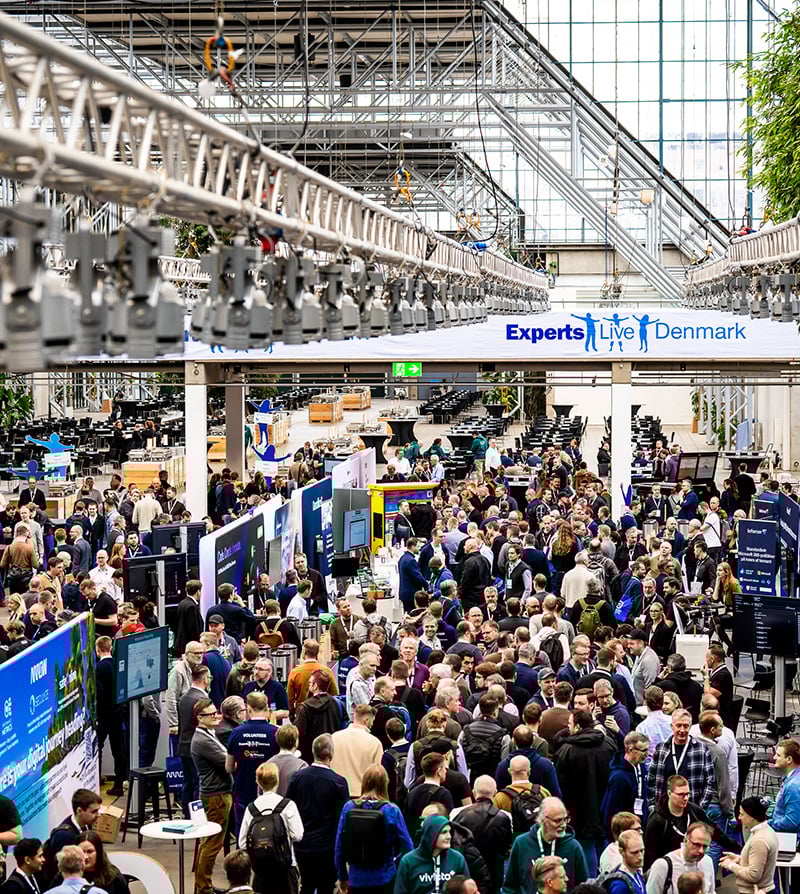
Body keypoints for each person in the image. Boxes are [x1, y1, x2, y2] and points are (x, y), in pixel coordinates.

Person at [554, 710, 617, 875]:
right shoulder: (609, 744)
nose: (568, 727)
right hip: (606, 804)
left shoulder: (566, 751)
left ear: (578, 726)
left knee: (586, 846)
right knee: (603, 842)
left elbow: (561, 784)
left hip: (579, 810)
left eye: (570, 724)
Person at [334, 764, 413, 893]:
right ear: (385, 784)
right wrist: (394, 863)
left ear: (364, 782)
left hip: (356, 878)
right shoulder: (392, 810)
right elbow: (408, 847)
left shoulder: (349, 807)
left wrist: (342, 876)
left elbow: (339, 846)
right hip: (384, 877)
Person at [287, 734, 350, 894]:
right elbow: (342, 819)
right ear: (331, 753)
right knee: (326, 886)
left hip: (302, 844)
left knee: (306, 885)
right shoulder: (338, 782)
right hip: (327, 846)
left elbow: (288, 808)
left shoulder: (298, 777)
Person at [643, 775, 739, 870]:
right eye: (681, 794)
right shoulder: (657, 819)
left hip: (692, 866)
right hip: (668, 870)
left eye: (687, 794)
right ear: (669, 793)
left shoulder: (694, 811)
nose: (685, 798)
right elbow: (650, 854)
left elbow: (715, 832)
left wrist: (738, 849)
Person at [238, 762, 304, 894]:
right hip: (285, 868)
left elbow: (242, 843)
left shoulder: (251, 808)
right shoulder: (287, 805)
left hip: (261, 870)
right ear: (277, 781)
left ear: (258, 782)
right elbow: (298, 835)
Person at [502, 796, 589, 894]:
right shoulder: (521, 844)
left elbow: (583, 888)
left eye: (565, 819)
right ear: (543, 820)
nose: (563, 825)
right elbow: (509, 887)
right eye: (558, 820)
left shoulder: (573, 847)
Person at [191, 698, 233, 894]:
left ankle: (202, 885)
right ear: (200, 718)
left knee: (209, 843)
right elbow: (228, 763)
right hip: (216, 797)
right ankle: (203, 887)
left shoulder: (209, 734)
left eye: (216, 712)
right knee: (212, 845)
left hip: (217, 794)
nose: (217, 716)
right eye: (211, 714)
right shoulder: (202, 741)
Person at [225, 692, 279, 833]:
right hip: (269, 792)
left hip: (243, 791)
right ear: (267, 708)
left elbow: (229, 767)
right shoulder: (275, 733)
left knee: (243, 834)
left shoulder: (236, 733)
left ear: (248, 709)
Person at [451, 775, 513, 894]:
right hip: (494, 875)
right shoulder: (505, 817)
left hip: (466, 872)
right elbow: (505, 847)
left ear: (474, 793)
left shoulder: (456, 813)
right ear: (495, 793)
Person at [647, 710, 715, 812]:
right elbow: (651, 778)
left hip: (690, 810)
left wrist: (699, 809)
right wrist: (652, 806)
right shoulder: (662, 748)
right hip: (664, 810)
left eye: (686, 726)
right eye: (679, 725)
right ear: (672, 726)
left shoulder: (701, 749)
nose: (682, 730)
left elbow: (710, 781)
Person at [394, 815, 468, 894]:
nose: (449, 836)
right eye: (444, 832)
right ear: (431, 835)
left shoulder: (457, 859)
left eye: (449, 832)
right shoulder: (408, 861)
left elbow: (467, 889)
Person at [720, 796, 778, 894]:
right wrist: (740, 859)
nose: (739, 817)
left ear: (751, 817)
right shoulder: (765, 831)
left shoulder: (759, 840)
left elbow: (753, 875)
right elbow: (758, 861)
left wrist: (731, 865)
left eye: (742, 814)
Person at [601, 732, 650, 838]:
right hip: (624, 834)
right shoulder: (619, 778)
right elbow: (611, 811)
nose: (647, 754)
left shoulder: (640, 766)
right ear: (631, 750)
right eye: (644, 750)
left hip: (639, 827)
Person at [44, 790, 102, 877]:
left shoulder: (87, 824)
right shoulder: (64, 836)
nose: (98, 815)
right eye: (94, 811)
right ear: (79, 811)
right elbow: (61, 870)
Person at [177, 665, 210, 815]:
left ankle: (186, 813)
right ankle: (197, 816)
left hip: (183, 745)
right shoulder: (202, 700)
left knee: (187, 782)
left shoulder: (184, 697)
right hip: (197, 748)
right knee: (198, 783)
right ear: (205, 679)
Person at [645, 822, 715, 894]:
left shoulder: (708, 861)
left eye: (705, 847)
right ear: (685, 840)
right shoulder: (663, 865)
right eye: (696, 844)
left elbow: (711, 891)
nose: (701, 851)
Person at [331, 704, 383, 797]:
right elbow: (377, 775)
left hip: (336, 794)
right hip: (361, 796)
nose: (372, 724)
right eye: (372, 721)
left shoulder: (334, 737)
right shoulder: (375, 743)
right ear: (366, 720)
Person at [295, 670, 344, 764]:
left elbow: (298, 733)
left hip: (310, 757)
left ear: (316, 685)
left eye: (310, 683)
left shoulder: (305, 707)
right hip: (332, 754)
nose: (308, 685)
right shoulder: (338, 704)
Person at [287, 639, 338, 716]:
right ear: (317, 653)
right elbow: (335, 695)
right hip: (323, 713)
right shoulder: (327, 671)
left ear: (303, 652)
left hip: (301, 713)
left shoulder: (295, 672)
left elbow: (290, 699)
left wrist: (291, 714)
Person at [266, 724, 308, 796]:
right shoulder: (302, 766)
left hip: (271, 806)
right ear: (296, 742)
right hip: (292, 806)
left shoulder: (268, 764)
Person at [770, 738, 800, 831]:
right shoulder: (791, 777)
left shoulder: (793, 786)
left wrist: (767, 823)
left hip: (786, 837)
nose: (774, 757)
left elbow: (791, 822)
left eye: (778, 755)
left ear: (789, 759)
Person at [604, 829, 646, 894]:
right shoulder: (619, 886)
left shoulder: (636, 873)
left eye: (642, 851)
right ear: (621, 852)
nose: (640, 857)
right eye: (634, 853)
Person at [626, 630, 660, 706]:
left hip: (643, 707)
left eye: (631, 644)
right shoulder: (638, 655)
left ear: (641, 643)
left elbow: (650, 688)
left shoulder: (649, 660)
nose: (628, 646)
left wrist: (646, 708)